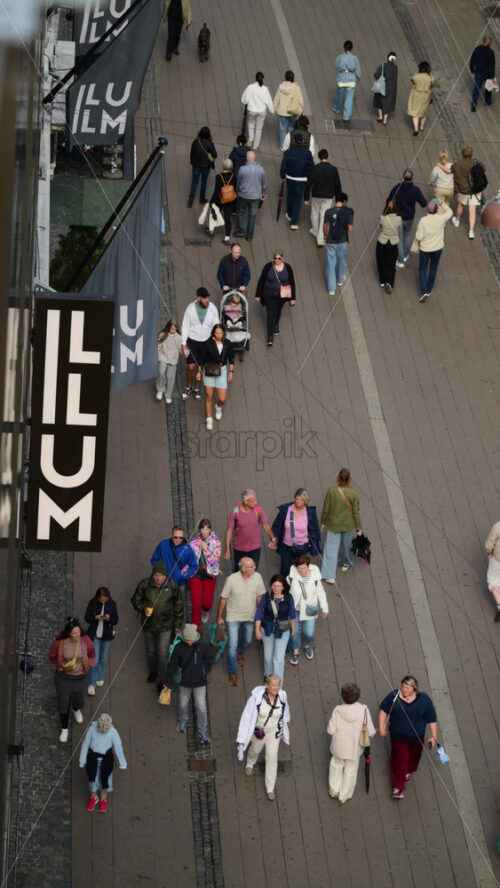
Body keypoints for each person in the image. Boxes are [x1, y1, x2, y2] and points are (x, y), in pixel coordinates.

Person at [378, 676, 438, 799]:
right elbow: (383, 710)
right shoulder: (394, 696)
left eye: (408, 687)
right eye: (403, 686)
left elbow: (431, 718)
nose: (404, 689)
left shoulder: (424, 700)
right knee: (400, 761)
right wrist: (381, 727)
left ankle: (407, 772)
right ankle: (398, 787)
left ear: (414, 689)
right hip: (398, 737)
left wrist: (434, 736)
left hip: (417, 738)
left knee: (413, 759)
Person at [131, 559, 184, 691]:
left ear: (165, 575)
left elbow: (178, 605)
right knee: (150, 652)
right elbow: (135, 600)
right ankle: (153, 671)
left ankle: (162, 680)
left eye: (161, 575)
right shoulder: (144, 585)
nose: (158, 578)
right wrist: (143, 608)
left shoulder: (172, 585)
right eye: (156, 575)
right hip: (148, 625)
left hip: (165, 625)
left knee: (162, 653)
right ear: (152, 574)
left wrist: (177, 624)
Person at [236, 674, 290, 801]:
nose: (276, 688)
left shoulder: (282, 696)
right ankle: (250, 762)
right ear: (267, 685)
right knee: (255, 750)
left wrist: (283, 727)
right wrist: (241, 739)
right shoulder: (255, 699)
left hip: (273, 732)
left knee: (272, 757)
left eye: (278, 685)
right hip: (259, 730)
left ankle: (270, 787)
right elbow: (246, 717)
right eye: (273, 685)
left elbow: (285, 712)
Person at [217, 556, 265, 685]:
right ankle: (233, 671)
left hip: (250, 616)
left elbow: (260, 597)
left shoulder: (258, 577)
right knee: (232, 645)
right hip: (233, 617)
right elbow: (223, 599)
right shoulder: (231, 580)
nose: (254, 567)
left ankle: (240, 651)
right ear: (243, 569)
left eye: (254, 565)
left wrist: (261, 616)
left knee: (248, 640)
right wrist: (219, 617)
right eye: (251, 566)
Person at [49, 618, 95, 743]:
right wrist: (60, 665)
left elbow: (92, 653)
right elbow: (52, 656)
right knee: (63, 703)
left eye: (78, 632)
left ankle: (76, 709)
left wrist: (88, 664)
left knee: (79, 699)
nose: (77, 635)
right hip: (63, 678)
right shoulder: (61, 642)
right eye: (74, 633)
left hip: (80, 678)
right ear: (69, 633)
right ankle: (64, 728)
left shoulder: (86, 640)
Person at [327, 684, 376, 803]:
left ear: (343, 696)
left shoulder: (337, 710)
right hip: (355, 748)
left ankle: (333, 790)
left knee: (336, 766)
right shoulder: (364, 710)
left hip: (339, 747)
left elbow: (330, 730)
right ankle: (344, 795)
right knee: (351, 771)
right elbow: (371, 731)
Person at [166, 623, 213, 743]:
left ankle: (203, 730)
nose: (189, 642)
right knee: (182, 704)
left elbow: (209, 659)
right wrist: (167, 680)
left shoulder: (202, 645)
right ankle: (182, 721)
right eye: (186, 640)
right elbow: (172, 665)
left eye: (191, 640)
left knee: (201, 707)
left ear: (195, 637)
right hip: (185, 682)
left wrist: (204, 671)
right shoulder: (178, 647)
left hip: (199, 682)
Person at [320, 467, 362, 584]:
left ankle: (329, 575)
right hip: (348, 524)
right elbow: (355, 512)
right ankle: (345, 562)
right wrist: (358, 528)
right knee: (346, 545)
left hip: (333, 524)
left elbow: (326, 508)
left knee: (331, 549)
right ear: (349, 479)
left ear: (338, 477)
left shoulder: (331, 491)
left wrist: (322, 522)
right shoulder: (353, 493)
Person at [79, 713, 127, 813]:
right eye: (101, 729)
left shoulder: (113, 732)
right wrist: (82, 760)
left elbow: (118, 746)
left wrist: (122, 762)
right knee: (92, 779)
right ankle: (93, 797)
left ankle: (103, 799)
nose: (103, 731)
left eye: (105, 729)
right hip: (93, 759)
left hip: (106, 760)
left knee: (106, 781)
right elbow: (85, 745)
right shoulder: (92, 730)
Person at [254, 575, 296, 682]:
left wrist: (293, 628)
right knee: (268, 656)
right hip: (267, 628)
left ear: (283, 587)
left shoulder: (289, 597)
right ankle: (268, 675)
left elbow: (292, 614)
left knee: (278, 659)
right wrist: (257, 629)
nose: (276, 588)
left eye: (279, 586)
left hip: (283, 629)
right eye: (274, 585)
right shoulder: (266, 597)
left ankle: (277, 682)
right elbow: (259, 613)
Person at [287, 555, 328, 665]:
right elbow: (286, 590)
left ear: (308, 566)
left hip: (309, 610)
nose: (301, 570)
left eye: (304, 568)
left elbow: (320, 592)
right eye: (299, 568)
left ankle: (306, 645)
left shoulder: (315, 576)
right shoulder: (292, 576)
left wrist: (325, 608)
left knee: (309, 633)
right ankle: (295, 651)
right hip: (294, 609)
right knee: (294, 633)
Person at [272, 488, 322, 576]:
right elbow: (277, 526)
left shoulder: (309, 512)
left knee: (300, 570)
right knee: (285, 570)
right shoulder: (286, 510)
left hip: (303, 547)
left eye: (301, 500)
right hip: (287, 546)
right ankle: (285, 587)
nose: (298, 501)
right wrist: (274, 539)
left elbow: (314, 530)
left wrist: (316, 546)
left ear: (305, 501)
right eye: (297, 499)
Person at [180, 287, 219, 400]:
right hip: (192, 341)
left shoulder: (212, 308)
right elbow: (185, 326)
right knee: (191, 367)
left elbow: (216, 324)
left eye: (207, 297)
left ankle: (197, 388)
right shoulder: (190, 308)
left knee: (200, 367)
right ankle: (188, 386)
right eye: (204, 298)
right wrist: (183, 344)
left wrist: (216, 338)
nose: (207, 299)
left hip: (206, 341)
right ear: (198, 298)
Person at [195, 323, 235, 430]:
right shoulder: (208, 343)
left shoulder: (227, 343)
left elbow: (231, 358)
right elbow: (201, 359)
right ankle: (209, 418)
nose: (218, 335)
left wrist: (231, 371)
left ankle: (218, 406)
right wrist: (199, 371)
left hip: (221, 370)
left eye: (220, 333)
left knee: (222, 399)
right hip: (209, 370)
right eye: (216, 333)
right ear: (213, 333)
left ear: (223, 333)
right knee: (209, 396)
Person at [224, 489, 276, 569]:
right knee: (238, 572)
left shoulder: (258, 510)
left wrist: (273, 539)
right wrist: (227, 550)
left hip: (254, 548)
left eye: (256, 500)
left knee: (253, 572)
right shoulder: (235, 511)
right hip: (239, 549)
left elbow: (266, 525)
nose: (256, 502)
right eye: (253, 501)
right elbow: (229, 530)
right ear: (246, 502)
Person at [414, 198, 453, 303]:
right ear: (436, 210)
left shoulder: (423, 221)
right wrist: (442, 204)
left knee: (422, 269)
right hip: (438, 248)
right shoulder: (441, 219)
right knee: (433, 268)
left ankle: (424, 291)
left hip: (425, 249)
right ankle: (429, 289)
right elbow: (450, 212)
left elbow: (419, 236)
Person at [255, 250, 296, 346]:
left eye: (279, 258)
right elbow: (261, 280)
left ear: (283, 258)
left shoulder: (288, 268)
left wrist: (293, 298)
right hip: (268, 293)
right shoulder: (268, 266)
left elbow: (292, 282)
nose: (277, 260)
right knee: (271, 313)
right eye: (275, 258)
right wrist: (258, 294)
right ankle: (270, 336)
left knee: (278, 311)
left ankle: (276, 324)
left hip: (282, 295)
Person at [387, 169, 427, 267]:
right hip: (410, 217)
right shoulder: (415, 190)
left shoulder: (397, 188)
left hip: (399, 217)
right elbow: (424, 203)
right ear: (412, 178)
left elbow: (389, 200)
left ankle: (400, 260)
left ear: (403, 177)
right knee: (408, 235)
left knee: (399, 239)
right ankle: (405, 255)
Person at [304, 149, 342, 248]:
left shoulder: (315, 168)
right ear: (327, 157)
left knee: (314, 213)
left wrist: (306, 197)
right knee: (324, 216)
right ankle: (320, 240)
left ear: (319, 158)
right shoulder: (334, 169)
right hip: (328, 196)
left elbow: (309, 183)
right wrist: (338, 200)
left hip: (316, 195)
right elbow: (338, 185)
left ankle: (315, 231)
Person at [84, 587, 118, 696]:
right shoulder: (92, 603)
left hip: (106, 635)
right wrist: (95, 618)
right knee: (95, 658)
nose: (103, 601)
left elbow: (116, 620)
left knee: (103, 658)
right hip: (95, 634)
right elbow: (87, 618)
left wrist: (108, 618)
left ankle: (99, 676)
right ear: (98, 597)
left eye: (105, 599)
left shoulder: (112, 604)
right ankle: (91, 683)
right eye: (101, 600)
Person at [189, 519, 221, 629]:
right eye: (203, 528)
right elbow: (189, 559)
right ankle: (194, 631)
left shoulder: (216, 542)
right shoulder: (193, 542)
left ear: (210, 529)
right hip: (196, 575)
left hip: (209, 575)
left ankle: (205, 611)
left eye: (207, 528)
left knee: (207, 603)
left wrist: (205, 549)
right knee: (196, 604)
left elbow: (215, 561)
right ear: (200, 529)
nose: (205, 531)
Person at [280, 133, 314, 230]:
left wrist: (282, 176)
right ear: (302, 142)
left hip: (290, 177)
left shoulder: (288, 152)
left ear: (293, 141)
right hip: (302, 179)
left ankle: (289, 214)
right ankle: (293, 222)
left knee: (290, 196)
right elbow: (311, 167)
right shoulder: (307, 153)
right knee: (297, 199)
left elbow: (283, 167)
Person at [451, 146, 486, 239]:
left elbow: (451, 170)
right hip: (475, 189)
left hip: (463, 190)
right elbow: (484, 168)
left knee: (460, 205)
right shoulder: (477, 162)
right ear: (471, 154)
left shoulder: (458, 164)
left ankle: (457, 221)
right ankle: (471, 231)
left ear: (463, 154)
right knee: (472, 210)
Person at [323, 192, 353, 296]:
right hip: (342, 241)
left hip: (331, 240)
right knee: (342, 261)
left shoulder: (328, 211)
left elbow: (325, 225)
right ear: (344, 201)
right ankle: (340, 280)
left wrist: (325, 236)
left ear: (336, 200)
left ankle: (331, 289)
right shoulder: (347, 212)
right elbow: (350, 229)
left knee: (331, 264)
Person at [233, 151, 267, 242]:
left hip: (243, 195)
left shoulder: (242, 169)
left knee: (240, 211)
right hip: (256, 197)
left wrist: (236, 192)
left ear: (247, 158)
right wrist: (263, 194)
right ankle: (249, 236)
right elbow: (264, 184)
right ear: (254, 158)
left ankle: (240, 230)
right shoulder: (261, 169)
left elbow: (238, 182)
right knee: (252, 216)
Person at [240, 72, 274, 150]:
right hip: (262, 111)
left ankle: (250, 139)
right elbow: (268, 101)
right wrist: (272, 110)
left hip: (251, 110)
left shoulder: (250, 87)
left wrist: (248, 102)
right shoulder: (265, 89)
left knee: (251, 123)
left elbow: (244, 100)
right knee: (259, 128)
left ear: (255, 78)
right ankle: (255, 146)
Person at [187, 127, 217, 208]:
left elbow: (192, 153)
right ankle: (202, 198)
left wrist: (192, 162)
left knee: (194, 181)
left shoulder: (196, 142)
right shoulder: (210, 144)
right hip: (205, 166)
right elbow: (215, 155)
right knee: (204, 181)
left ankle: (191, 197)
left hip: (196, 165)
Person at [376, 199, 402, 294]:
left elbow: (381, 227)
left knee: (380, 261)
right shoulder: (399, 219)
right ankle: (389, 282)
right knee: (391, 263)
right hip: (393, 242)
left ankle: (382, 280)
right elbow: (399, 228)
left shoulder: (382, 218)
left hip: (382, 241)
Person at [273, 70, 304, 148]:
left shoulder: (281, 87)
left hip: (282, 112)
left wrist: (275, 108)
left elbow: (277, 98)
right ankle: (290, 144)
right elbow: (300, 99)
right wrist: (302, 109)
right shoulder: (296, 87)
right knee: (291, 127)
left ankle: (282, 146)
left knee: (282, 129)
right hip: (293, 111)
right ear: (293, 78)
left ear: (285, 77)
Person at [333, 40, 361, 122]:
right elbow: (358, 69)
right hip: (351, 79)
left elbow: (336, 65)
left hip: (342, 78)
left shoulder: (340, 57)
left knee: (339, 95)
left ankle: (337, 108)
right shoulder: (354, 58)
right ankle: (346, 116)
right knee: (349, 98)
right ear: (351, 48)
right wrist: (358, 77)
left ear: (344, 47)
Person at [210, 159, 237, 245]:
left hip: (219, 199)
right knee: (227, 218)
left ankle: (211, 230)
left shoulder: (218, 177)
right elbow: (235, 189)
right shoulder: (234, 176)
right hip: (229, 200)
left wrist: (212, 201)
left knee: (215, 214)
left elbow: (216, 190)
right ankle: (227, 238)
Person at [156, 318, 182, 404]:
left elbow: (180, 349)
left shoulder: (179, 337)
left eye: (175, 329)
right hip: (163, 357)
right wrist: (159, 356)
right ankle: (160, 389)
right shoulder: (163, 335)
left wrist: (185, 350)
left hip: (173, 360)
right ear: (168, 327)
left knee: (170, 378)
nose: (173, 330)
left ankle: (168, 395)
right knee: (161, 372)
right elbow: (158, 347)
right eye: (171, 329)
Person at [407, 61, 435, 135]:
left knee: (415, 113)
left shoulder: (416, 76)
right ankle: (422, 126)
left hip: (416, 96)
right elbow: (433, 83)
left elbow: (412, 79)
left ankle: (416, 128)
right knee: (423, 112)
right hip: (425, 97)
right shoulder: (430, 78)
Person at [470, 35, 495, 111]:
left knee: (476, 89)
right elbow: (492, 65)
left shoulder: (477, 49)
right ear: (488, 43)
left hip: (479, 73)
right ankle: (487, 101)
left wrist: (472, 71)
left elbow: (472, 61)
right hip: (487, 74)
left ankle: (474, 104)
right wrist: (492, 76)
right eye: (490, 42)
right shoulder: (491, 52)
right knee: (489, 88)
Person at [373, 52, 398, 125]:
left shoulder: (382, 66)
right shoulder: (395, 68)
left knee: (379, 102)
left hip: (381, 87)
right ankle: (385, 120)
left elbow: (376, 75)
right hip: (390, 89)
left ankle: (380, 117)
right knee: (387, 104)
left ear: (387, 58)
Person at [485, 521, 500, 621]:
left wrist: (490, 552)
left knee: (493, 582)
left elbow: (489, 544)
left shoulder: (498, 526)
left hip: (498, 560)